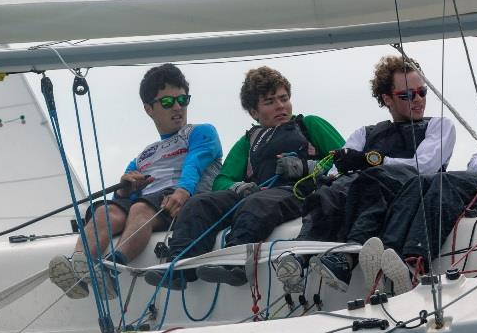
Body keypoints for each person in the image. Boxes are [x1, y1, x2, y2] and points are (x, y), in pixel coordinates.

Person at [146, 66, 344, 289]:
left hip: (298, 191)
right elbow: (222, 180)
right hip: (257, 192)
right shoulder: (247, 142)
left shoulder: (309, 125)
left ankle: (236, 266)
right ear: (254, 112)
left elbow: (347, 157)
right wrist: (238, 186)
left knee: (255, 204)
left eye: (284, 98)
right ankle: (180, 267)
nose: (280, 106)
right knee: (199, 203)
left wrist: (308, 167)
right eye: (270, 102)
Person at [278, 55, 456, 292]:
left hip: (409, 189)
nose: (418, 100)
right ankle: (300, 256)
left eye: (422, 92)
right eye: (407, 95)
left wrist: (369, 161)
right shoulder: (366, 133)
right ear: (387, 99)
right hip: (365, 186)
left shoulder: (440, 126)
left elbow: (423, 166)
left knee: (373, 179)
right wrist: (341, 166)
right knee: (330, 192)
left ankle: (348, 256)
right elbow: (334, 170)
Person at [48, 63, 223, 299]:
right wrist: (124, 191)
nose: (178, 107)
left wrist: (182, 192)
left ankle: (112, 268)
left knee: (141, 208)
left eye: (183, 99)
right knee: (104, 212)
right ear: (149, 109)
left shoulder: (201, 132)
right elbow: (122, 200)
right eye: (168, 102)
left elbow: (194, 164)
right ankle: (79, 267)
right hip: (149, 199)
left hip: (179, 198)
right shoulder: (143, 156)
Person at [364, 88, 477, 294]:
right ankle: (387, 255)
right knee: (417, 183)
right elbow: (473, 163)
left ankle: (414, 263)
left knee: (443, 183)